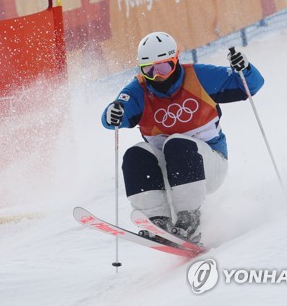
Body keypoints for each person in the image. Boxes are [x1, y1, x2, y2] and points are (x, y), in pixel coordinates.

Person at [101, 31, 264, 243]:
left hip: (208, 164)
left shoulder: (199, 76)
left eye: (163, 67)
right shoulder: (138, 90)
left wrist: (245, 69)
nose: (157, 75)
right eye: (149, 70)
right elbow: (115, 113)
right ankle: (157, 220)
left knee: (177, 143)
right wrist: (111, 114)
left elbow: (250, 85)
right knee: (135, 154)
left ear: (175, 60)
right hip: (169, 173)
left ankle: (189, 218)